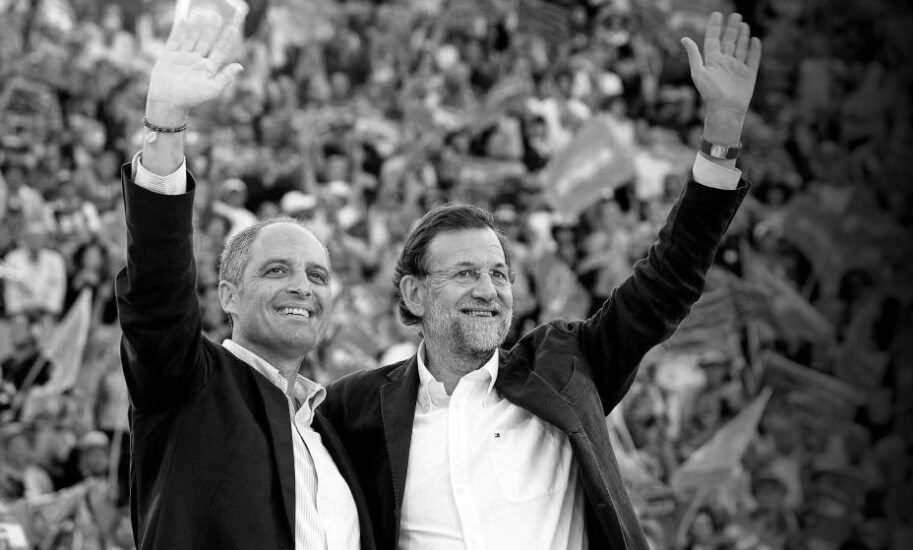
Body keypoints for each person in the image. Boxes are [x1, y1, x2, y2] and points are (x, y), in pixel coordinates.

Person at [323, 12, 761, 550]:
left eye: (499, 273)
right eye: (465, 272)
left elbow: (666, 281)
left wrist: (721, 136)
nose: (489, 289)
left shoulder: (564, 365)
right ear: (415, 293)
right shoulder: (355, 409)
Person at [114, 10, 374, 550]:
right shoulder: (189, 383)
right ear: (228, 295)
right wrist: (164, 123)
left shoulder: (334, 436)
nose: (303, 286)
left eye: (318, 275)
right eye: (277, 270)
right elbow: (158, 294)